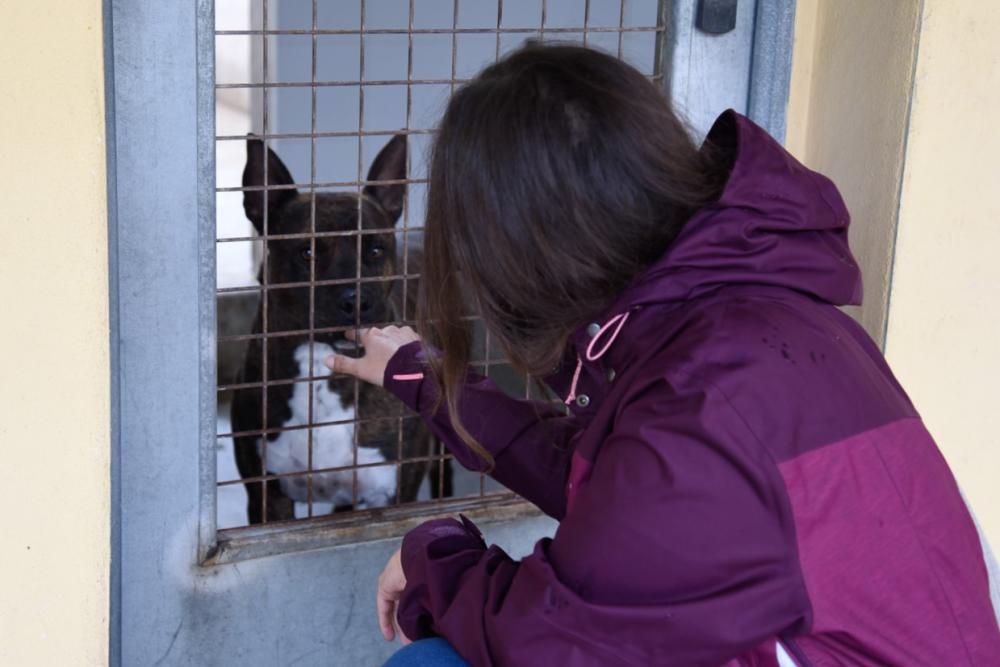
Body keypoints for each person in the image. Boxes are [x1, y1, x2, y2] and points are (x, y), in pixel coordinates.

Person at [327, 44, 1000, 666]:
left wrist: (435, 559)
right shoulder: (756, 320)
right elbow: (618, 489)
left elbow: (557, 642)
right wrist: (422, 374)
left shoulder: (709, 397)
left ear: (520, 252)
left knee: (431, 662)